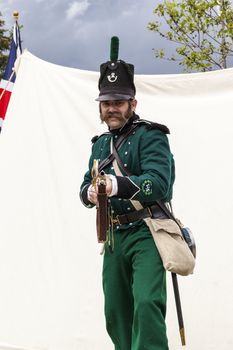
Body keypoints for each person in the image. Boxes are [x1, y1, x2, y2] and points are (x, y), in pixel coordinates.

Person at [80, 44, 175, 350]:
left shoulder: (151, 135)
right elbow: (83, 187)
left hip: (147, 232)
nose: (112, 108)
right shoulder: (100, 145)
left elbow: (160, 183)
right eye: (106, 102)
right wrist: (91, 193)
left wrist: (117, 185)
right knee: (116, 313)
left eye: (119, 101)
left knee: (146, 304)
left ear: (133, 103)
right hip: (113, 237)